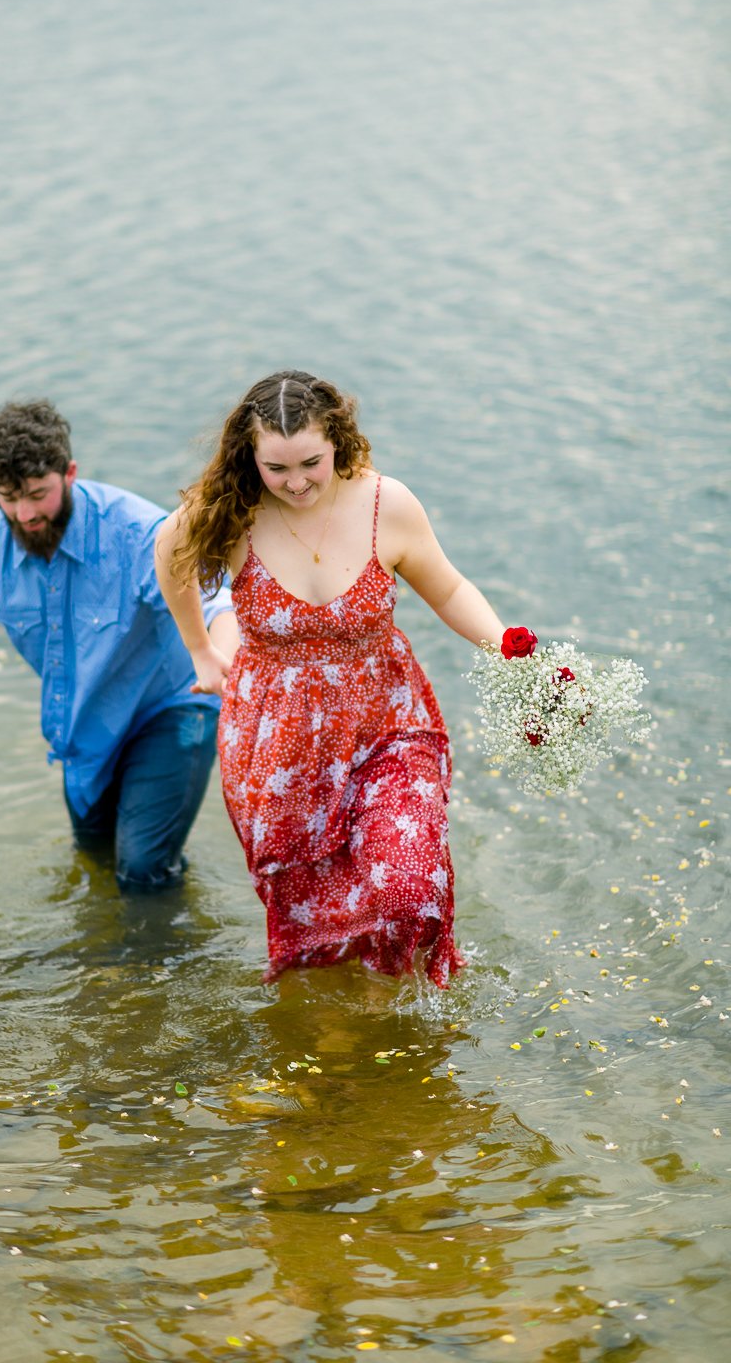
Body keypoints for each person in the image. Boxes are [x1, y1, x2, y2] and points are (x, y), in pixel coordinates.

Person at [155, 370, 507, 982]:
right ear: (251, 458)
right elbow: (169, 556)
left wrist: (507, 646)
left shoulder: (386, 504)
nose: (296, 484)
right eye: (277, 468)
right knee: (310, 913)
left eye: (311, 463)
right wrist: (200, 654)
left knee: (408, 883)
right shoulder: (231, 512)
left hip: (388, 722)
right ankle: (349, 1023)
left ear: (338, 441)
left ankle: (396, 1007)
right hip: (276, 742)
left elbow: (447, 587)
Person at [0, 398, 239, 892]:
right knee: (92, 859)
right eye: (7, 496)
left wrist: (220, 665)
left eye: (38, 494)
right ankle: (111, 957)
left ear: (69, 473)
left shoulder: (135, 531)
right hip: (83, 728)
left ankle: (153, 963)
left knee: (142, 869)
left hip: (172, 708)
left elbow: (218, 605)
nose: (24, 513)